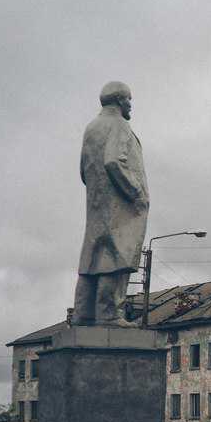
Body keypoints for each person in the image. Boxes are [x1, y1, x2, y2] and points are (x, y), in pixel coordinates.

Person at [72, 81, 149, 326]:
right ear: (119, 100)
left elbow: (83, 169)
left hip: (97, 202)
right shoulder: (119, 125)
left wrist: (98, 190)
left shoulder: (92, 128)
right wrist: (136, 192)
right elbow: (114, 161)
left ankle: (83, 313)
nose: (130, 105)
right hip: (121, 203)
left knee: (92, 256)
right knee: (117, 255)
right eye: (129, 100)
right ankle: (109, 314)